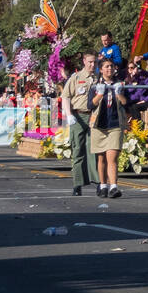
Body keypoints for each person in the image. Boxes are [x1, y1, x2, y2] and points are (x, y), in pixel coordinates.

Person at [89, 58, 128, 199]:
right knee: (101, 158)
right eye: (106, 66)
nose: (109, 69)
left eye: (111, 66)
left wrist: (119, 93)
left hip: (115, 124)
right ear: (101, 69)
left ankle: (114, 187)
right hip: (99, 125)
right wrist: (99, 94)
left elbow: (125, 103)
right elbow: (90, 105)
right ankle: (103, 185)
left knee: (112, 157)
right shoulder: (95, 85)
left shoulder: (120, 84)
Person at [60, 53, 98, 196]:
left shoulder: (98, 78)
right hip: (78, 115)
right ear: (84, 61)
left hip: (94, 116)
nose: (92, 65)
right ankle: (77, 184)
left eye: (94, 62)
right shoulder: (76, 78)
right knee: (78, 150)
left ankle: (97, 181)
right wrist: (69, 115)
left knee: (93, 149)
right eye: (90, 62)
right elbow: (65, 97)